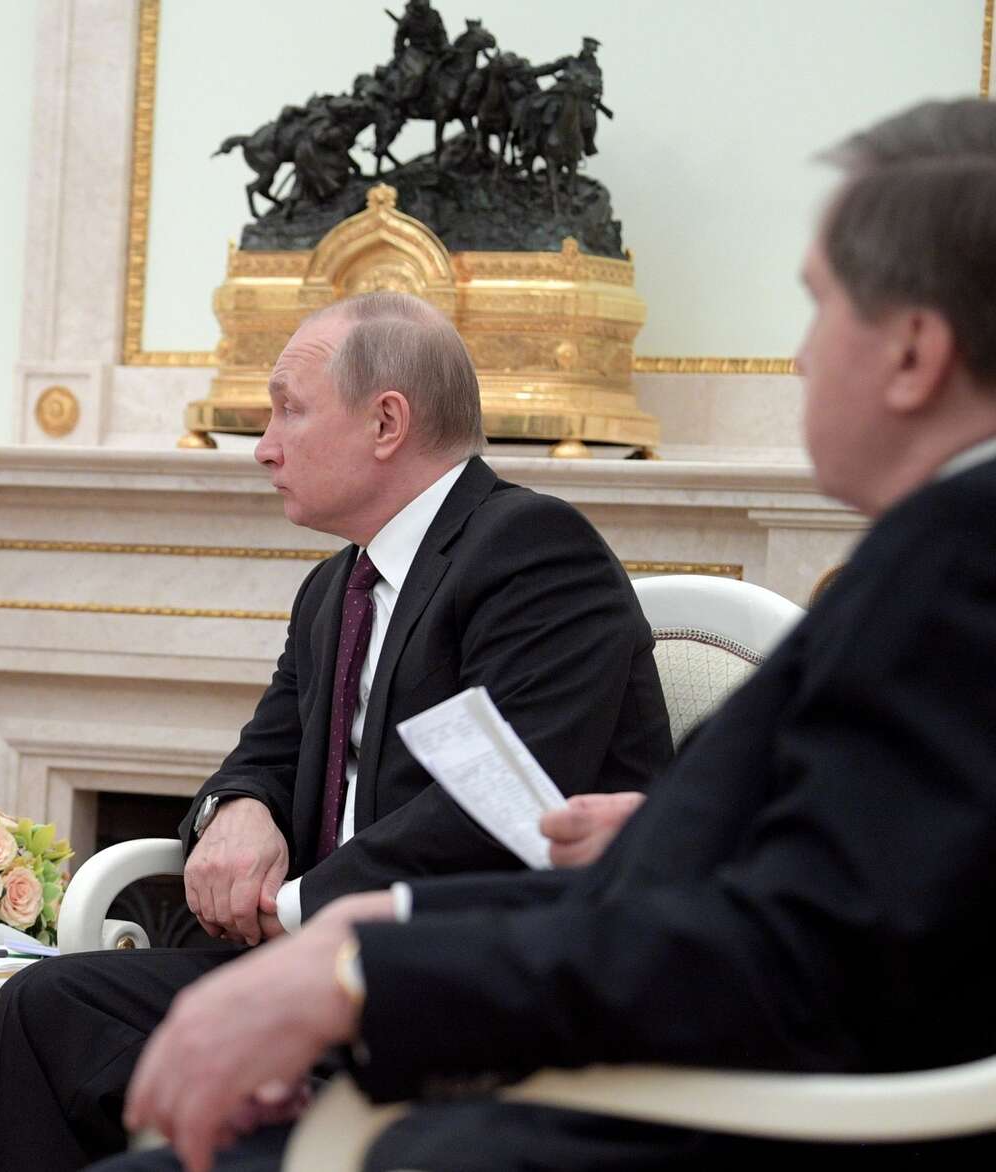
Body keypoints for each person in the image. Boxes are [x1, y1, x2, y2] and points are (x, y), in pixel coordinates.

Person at [114, 96, 996, 1172]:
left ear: (913, 352)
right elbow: (872, 881)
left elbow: (802, 956)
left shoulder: (955, 573)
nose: (802, 358)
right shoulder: (941, 557)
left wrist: (361, 968)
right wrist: (662, 836)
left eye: (818, 308)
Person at [0, 292, 672, 1170]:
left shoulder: (532, 549)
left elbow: (499, 808)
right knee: (46, 1005)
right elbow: (263, 753)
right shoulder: (336, 588)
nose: (264, 446)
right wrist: (238, 810)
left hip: (471, 981)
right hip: (330, 967)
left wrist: (291, 911)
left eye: (289, 410)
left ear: (386, 422)